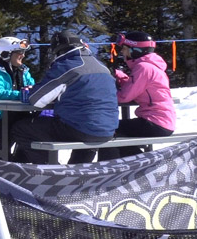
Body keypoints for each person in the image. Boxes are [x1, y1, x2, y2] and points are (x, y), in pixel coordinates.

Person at [9, 30, 119, 164]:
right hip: (107, 130)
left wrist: (27, 93)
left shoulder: (67, 66)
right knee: (86, 135)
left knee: (21, 128)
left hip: (79, 127)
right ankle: (77, 173)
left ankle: (49, 169)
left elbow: (36, 100)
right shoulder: (102, 66)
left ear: (58, 50)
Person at [99, 31, 175, 160]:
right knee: (115, 132)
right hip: (160, 120)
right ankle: (139, 163)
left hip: (155, 122)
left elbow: (124, 97)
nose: (122, 53)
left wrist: (102, 94)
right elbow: (136, 87)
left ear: (135, 50)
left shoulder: (143, 68)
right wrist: (119, 76)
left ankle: (113, 169)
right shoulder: (151, 67)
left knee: (107, 130)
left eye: (124, 49)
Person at [0, 36, 35, 157]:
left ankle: (21, 159)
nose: (23, 55)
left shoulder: (23, 71)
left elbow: (33, 88)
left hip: (11, 115)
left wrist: (34, 92)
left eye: (23, 52)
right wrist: (23, 94)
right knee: (14, 127)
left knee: (33, 124)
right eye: (19, 52)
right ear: (6, 54)